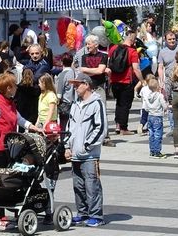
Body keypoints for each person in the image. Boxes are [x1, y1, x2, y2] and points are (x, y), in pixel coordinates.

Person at [0, 72, 41, 224]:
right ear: (9, 88)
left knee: (11, 179)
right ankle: (0, 214)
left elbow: (19, 119)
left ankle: (14, 209)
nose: (17, 87)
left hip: (10, 147)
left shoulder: (10, 102)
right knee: (2, 181)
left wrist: (33, 127)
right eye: (15, 85)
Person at [64, 72, 107, 227]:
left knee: (92, 185)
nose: (75, 87)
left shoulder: (97, 103)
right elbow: (69, 127)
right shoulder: (75, 104)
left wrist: (86, 146)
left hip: (89, 155)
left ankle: (96, 215)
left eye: (77, 84)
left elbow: (101, 128)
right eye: (74, 85)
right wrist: (67, 146)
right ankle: (82, 213)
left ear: (86, 84)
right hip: (75, 154)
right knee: (78, 186)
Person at [109, 29, 142, 136]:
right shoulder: (132, 51)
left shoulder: (113, 48)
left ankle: (117, 125)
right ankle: (124, 128)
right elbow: (136, 69)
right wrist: (142, 81)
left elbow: (109, 62)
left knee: (118, 103)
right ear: (133, 40)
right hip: (126, 80)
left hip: (114, 80)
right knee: (125, 105)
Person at [138, 76, 166, 158]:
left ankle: (152, 150)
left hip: (150, 116)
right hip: (157, 116)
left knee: (151, 133)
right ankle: (157, 151)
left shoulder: (148, 96)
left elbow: (146, 107)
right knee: (158, 133)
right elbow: (164, 105)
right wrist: (166, 108)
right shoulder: (160, 96)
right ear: (157, 86)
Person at [55, 53, 77, 133]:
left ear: (61, 62)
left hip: (64, 103)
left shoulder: (62, 74)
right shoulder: (75, 73)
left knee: (63, 124)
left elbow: (59, 92)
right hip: (74, 102)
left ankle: (62, 140)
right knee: (72, 124)